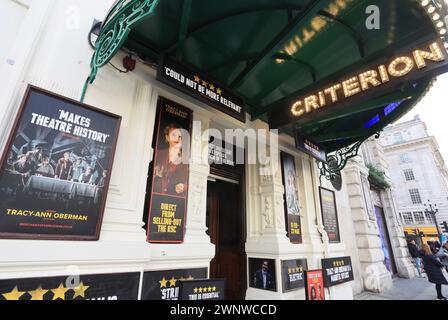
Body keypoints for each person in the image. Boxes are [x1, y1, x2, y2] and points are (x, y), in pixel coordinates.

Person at [153, 123, 188, 196]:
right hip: (156, 197)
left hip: (175, 200)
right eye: (174, 135)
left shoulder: (186, 161)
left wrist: (184, 187)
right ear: (167, 137)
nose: (178, 138)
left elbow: (195, 184)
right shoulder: (158, 154)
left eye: (180, 136)